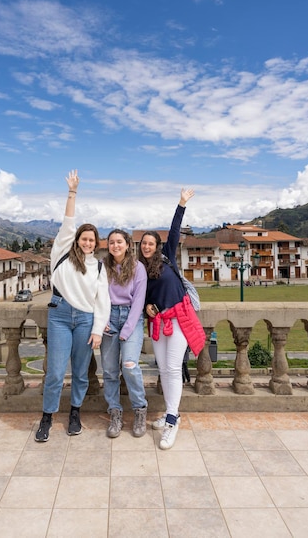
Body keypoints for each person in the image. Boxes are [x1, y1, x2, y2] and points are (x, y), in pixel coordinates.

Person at [35, 170, 111, 442]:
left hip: (85, 320)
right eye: (83, 238)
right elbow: (68, 223)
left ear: (96, 243)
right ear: (77, 240)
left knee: (81, 372)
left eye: (92, 240)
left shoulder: (99, 266)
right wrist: (72, 192)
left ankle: (75, 413)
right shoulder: (62, 254)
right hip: (60, 316)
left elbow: (103, 300)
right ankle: (47, 417)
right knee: (55, 371)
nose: (87, 242)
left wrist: (98, 330)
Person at [138, 188, 205, 450]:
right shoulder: (139, 269)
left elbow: (175, 230)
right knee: (163, 369)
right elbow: (138, 296)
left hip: (178, 319)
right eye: (143, 243)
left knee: (174, 368)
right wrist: (146, 307)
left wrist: (181, 203)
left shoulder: (167, 258)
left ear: (156, 246)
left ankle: (172, 420)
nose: (146, 246)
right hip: (157, 323)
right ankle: (170, 413)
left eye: (150, 243)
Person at [101, 229, 148, 438]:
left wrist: (127, 330)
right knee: (110, 371)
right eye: (112, 242)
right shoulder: (103, 268)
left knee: (129, 364)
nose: (115, 246)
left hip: (131, 318)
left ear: (127, 244)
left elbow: (138, 302)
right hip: (109, 319)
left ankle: (139, 409)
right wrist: (102, 321)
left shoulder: (138, 269)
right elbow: (98, 295)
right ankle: (115, 412)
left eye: (119, 242)